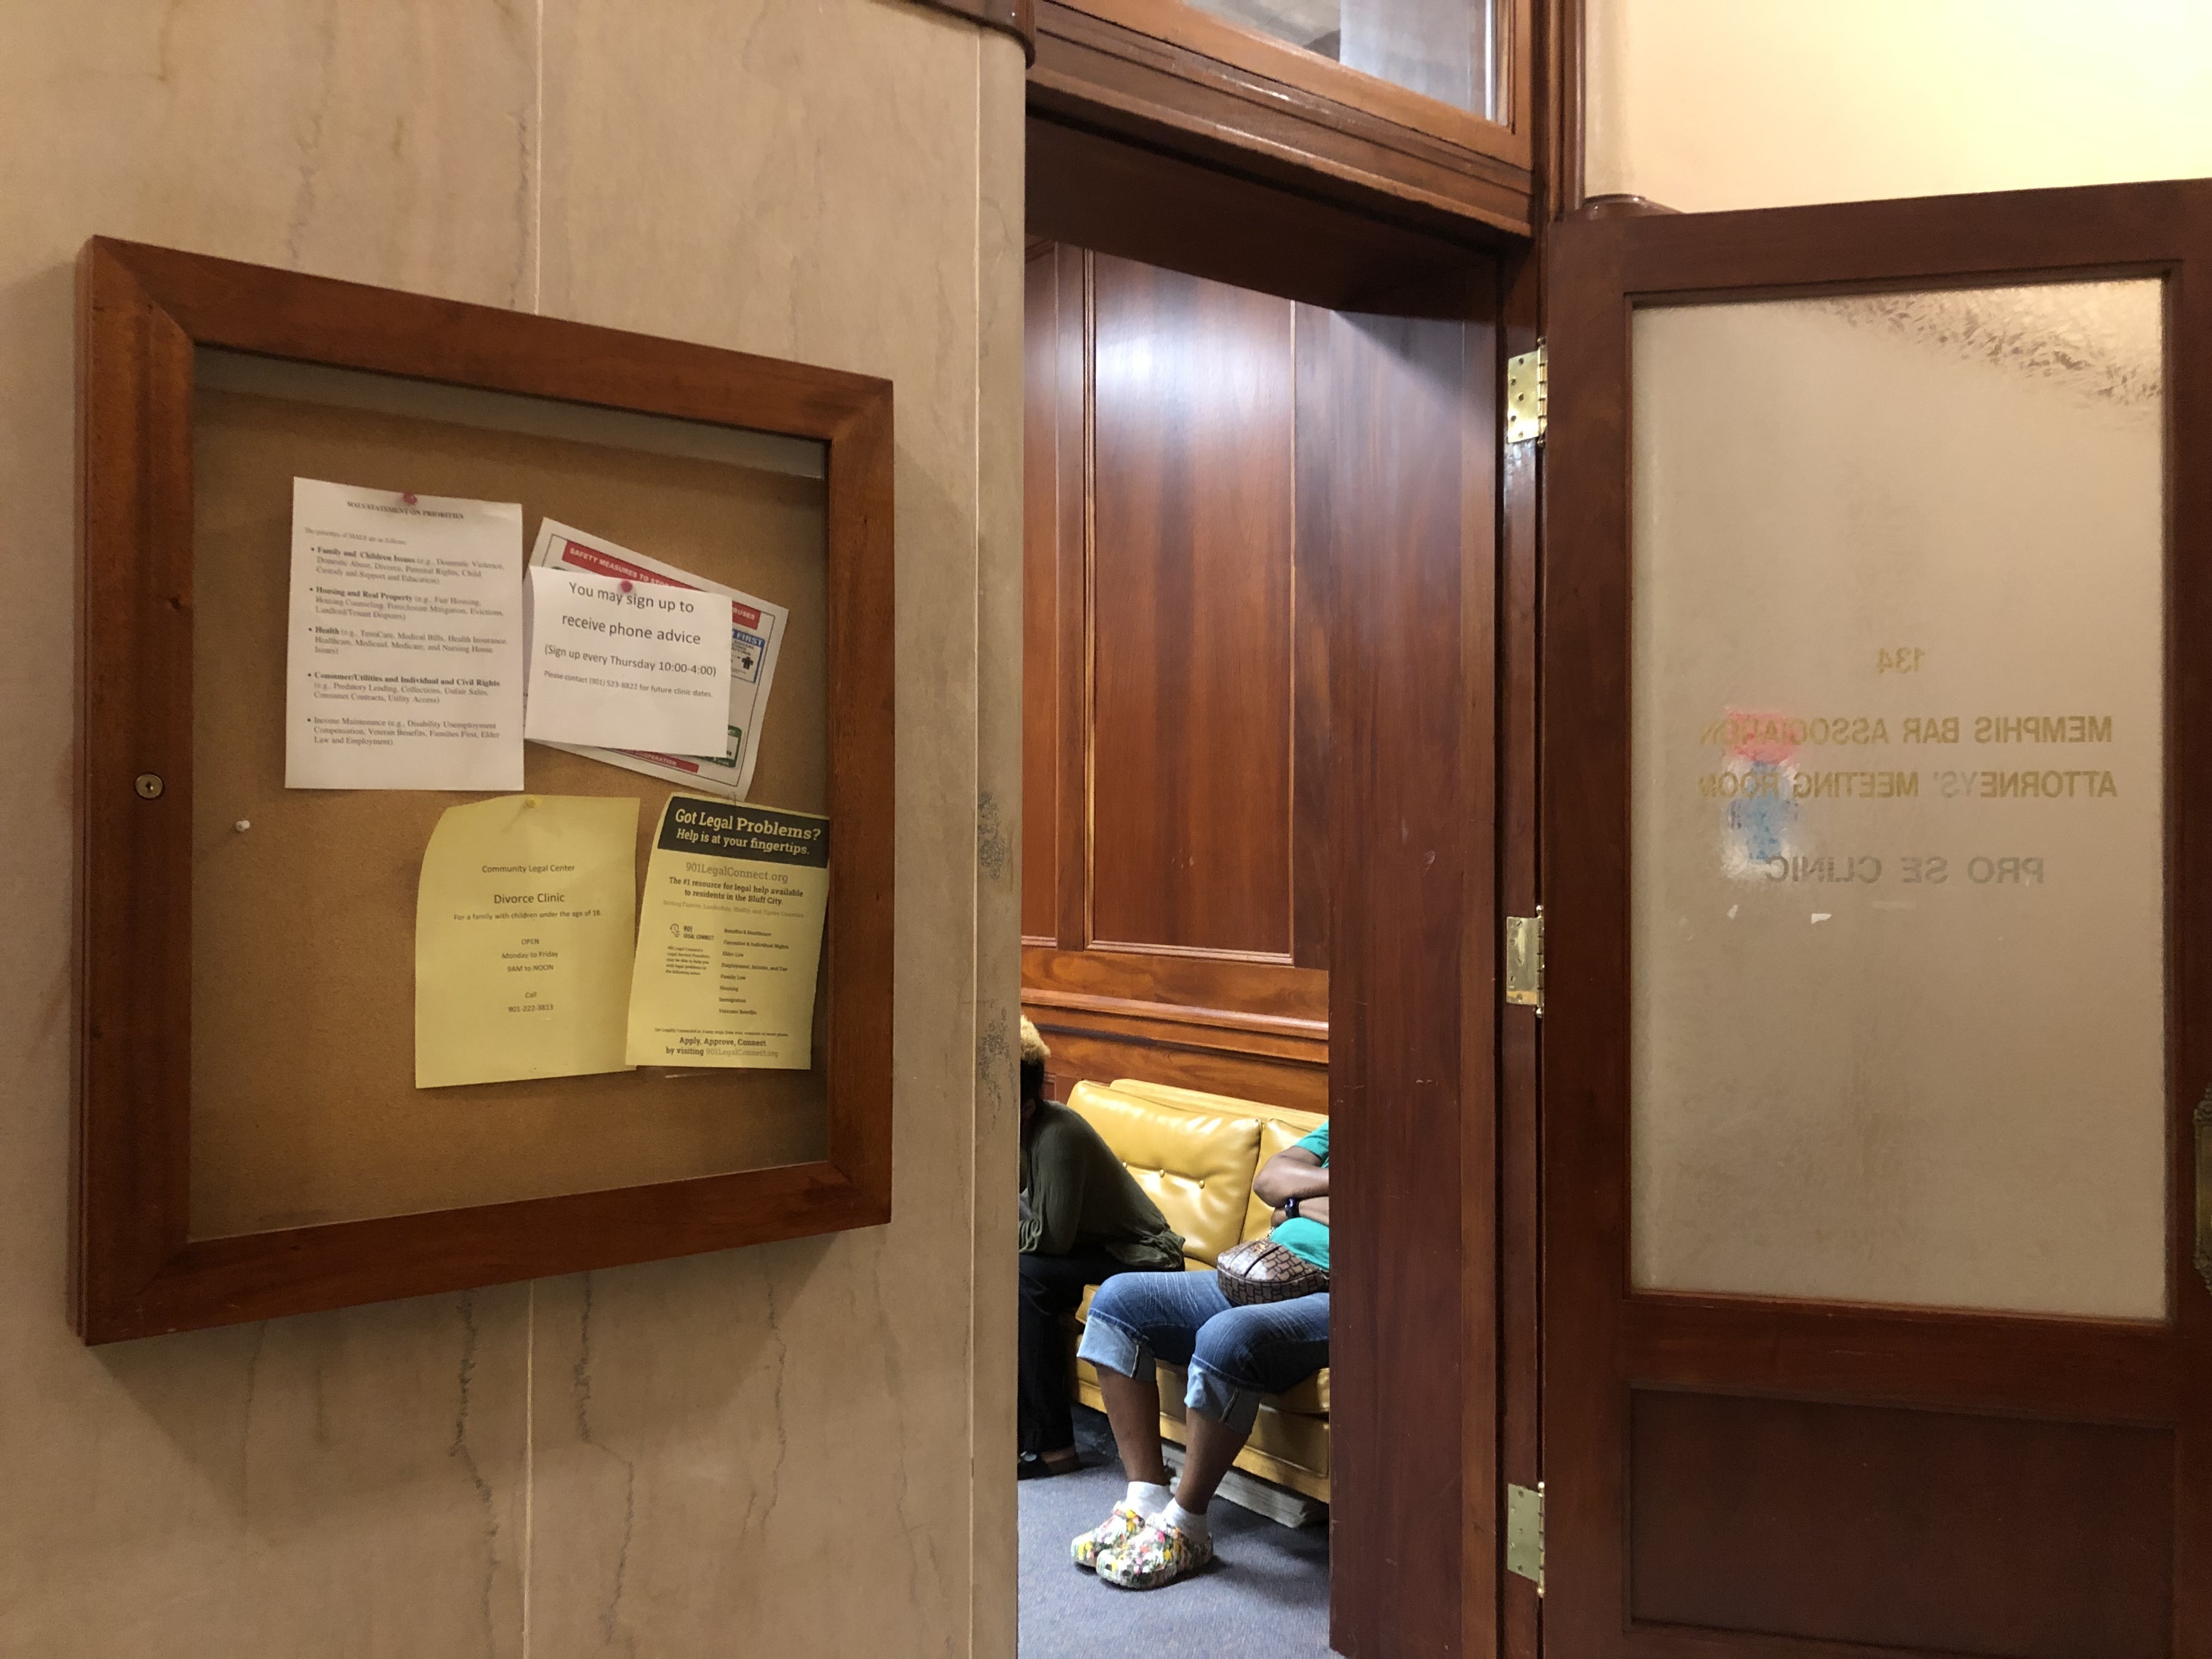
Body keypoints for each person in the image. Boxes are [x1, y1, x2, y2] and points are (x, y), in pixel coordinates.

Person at [1068, 1116, 1330, 1589]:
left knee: (1225, 1336)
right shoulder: (1356, 1115)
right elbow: (1270, 1180)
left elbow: (1390, 1215)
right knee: (1118, 1300)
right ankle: (1145, 1496)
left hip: (1345, 1293)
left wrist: (1295, 1206)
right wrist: (1334, 1189)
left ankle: (1188, 1524)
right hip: (1263, 1270)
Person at [1018, 1018, 1185, 1479]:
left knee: (1024, 1274)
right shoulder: (1016, 1132)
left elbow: (1049, 1238)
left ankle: (1051, 1447)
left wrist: (983, 1236)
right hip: (1092, 1249)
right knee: (1017, 1272)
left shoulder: (1058, 1134)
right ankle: (1016, 1429)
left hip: (1144, 1256)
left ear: (1028, 1105)